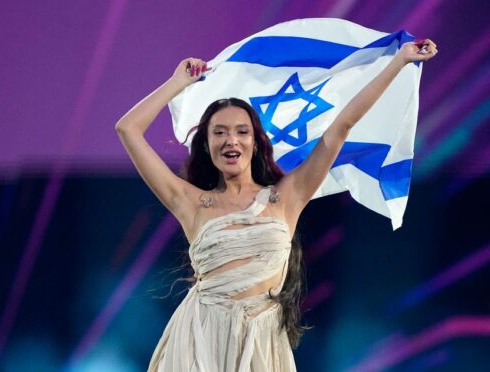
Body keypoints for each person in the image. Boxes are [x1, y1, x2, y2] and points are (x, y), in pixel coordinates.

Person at [115, 39, 437, 372]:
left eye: (241, 131)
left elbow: (339, 128)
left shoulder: (287, 197)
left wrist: (399, 61)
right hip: (200, 339)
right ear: (207, 143)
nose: (231, 140)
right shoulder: (191, 202)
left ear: (255, 143)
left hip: (263, 344)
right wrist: (177, 83)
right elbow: (127, 129)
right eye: (219, 132)